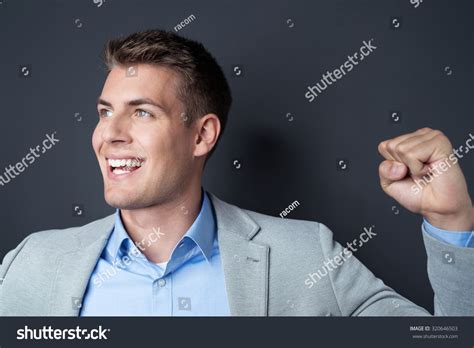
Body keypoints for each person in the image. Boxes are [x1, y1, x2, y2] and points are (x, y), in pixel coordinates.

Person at [0, 29, 472, 316]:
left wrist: (452, 223)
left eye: (141, 113)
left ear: (202, 135)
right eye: (105, 112)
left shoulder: (308, 257)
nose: (109, 135)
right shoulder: (31, 266)